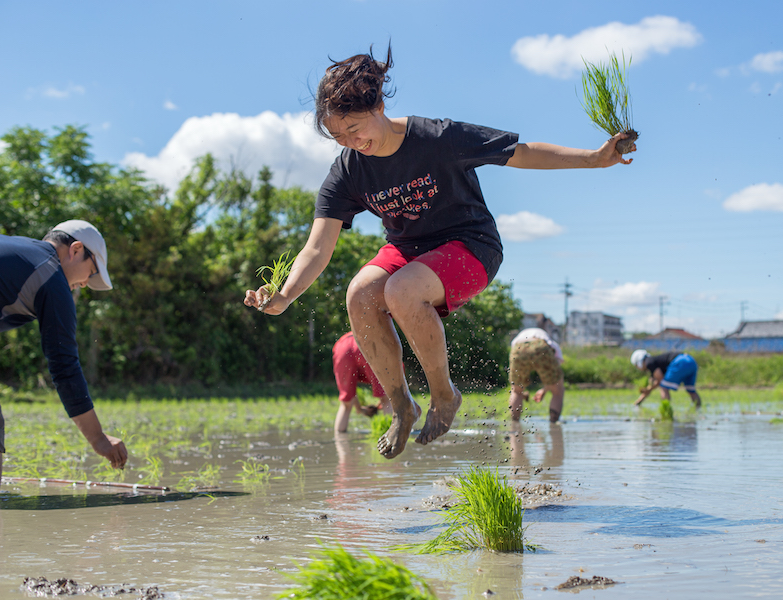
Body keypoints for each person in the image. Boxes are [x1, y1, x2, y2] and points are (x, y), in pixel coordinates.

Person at [244, 44, 634, 459]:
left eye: (354, 129)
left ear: (376, 105)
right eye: (338, 136)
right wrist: (284, 294)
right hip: (408, 253)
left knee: (401, 291)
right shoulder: (349, 169)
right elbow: (318, 246)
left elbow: (520, 153)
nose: (350, 142)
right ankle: (402, 407)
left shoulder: (437, 138)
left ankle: (445, 396)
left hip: (471, 246)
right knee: (360, 295)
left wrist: (595, 159)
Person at [0, 220, 128, 496]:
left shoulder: (21, 251)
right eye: (89, 273)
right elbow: (64, 365)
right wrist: (98, 438)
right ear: (76, 250)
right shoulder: (51, 275)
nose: (82, 284)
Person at [332, 331, 392, 432]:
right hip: (367, 343)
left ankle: (340, 443)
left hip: (343, 346)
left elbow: (350, 392)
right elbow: (391, 391)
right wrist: (382, 401)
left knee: (345, 405)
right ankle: (391, 438)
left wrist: (359, 408)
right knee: (387, 400)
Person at [508, 328, 564, 422]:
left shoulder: (519, 337)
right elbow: (555, 372)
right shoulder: (550, 342)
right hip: (540, 346)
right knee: (557, 390)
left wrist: (544, 390)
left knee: (516, 391)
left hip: (518, 348)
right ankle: (553, 422)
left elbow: (513, 350)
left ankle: (514, 423)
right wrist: (546, 389)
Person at [631, 349, 702, 408]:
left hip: (679, 362)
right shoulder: (654, 362)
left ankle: (666, 408)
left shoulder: (649, 363)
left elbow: (660, 380)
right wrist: (638, 402)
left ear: (638, 362)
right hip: (690, 360)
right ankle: (698, 409)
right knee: (691, 390)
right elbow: (654, 384)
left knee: (663, 387)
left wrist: (650, 389)